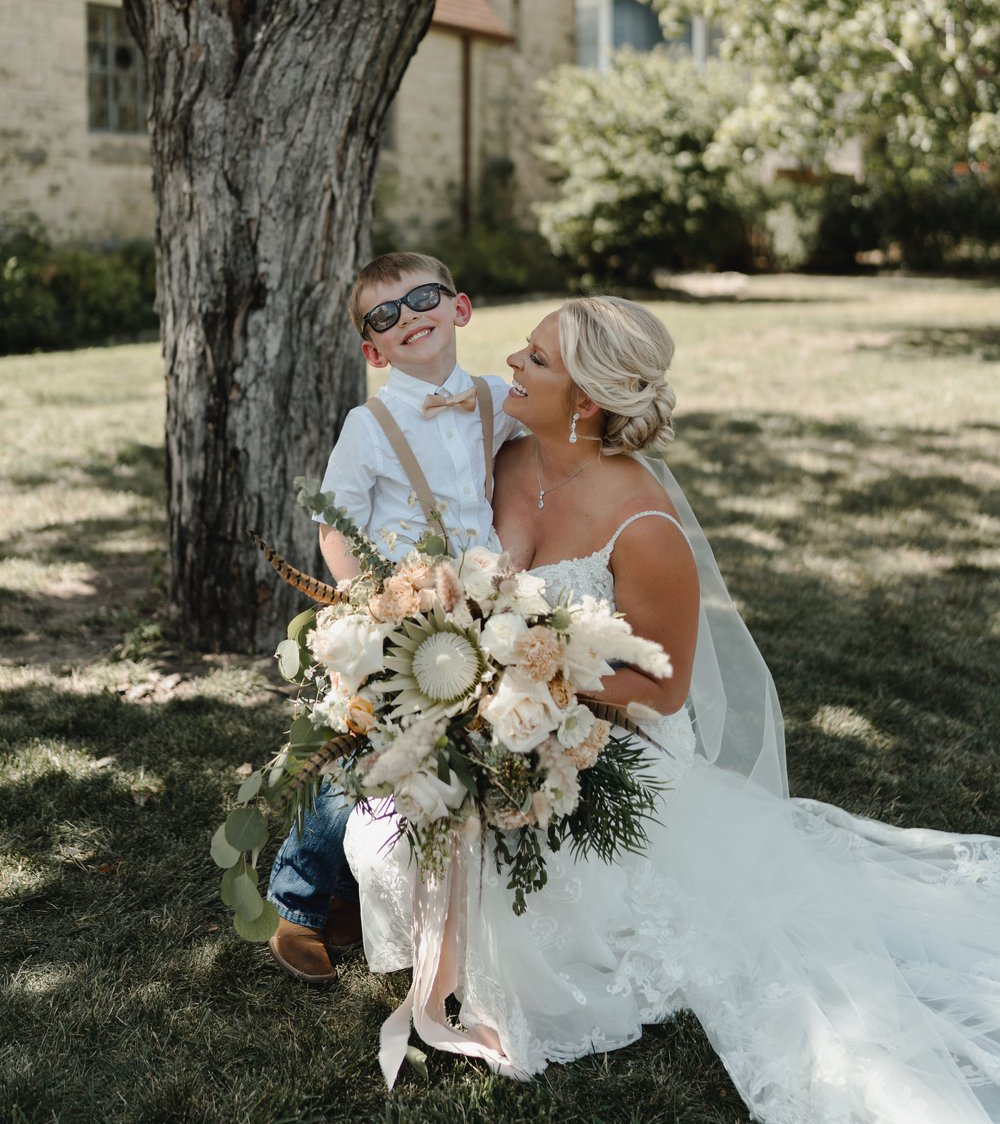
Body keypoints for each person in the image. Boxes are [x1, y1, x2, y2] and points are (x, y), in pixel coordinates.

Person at [345, 295, 1000, 1121]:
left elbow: (664, 689)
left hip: (612, 739)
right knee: (387, 822)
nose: (511, 361)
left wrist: (524, 685)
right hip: (502, 714)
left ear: (585, 400)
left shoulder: (643, 525)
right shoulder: (507, 456)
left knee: (536, 892)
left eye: (536, 357)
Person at [267, 251, 521, 982]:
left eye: (423, 299)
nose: (409, 317)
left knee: (440, 761)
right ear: (373, 350)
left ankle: (373, 892)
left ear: (460, 309)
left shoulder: (499, 398)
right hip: (398, 611)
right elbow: (333, 523)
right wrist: (366, 605)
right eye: (386, 316)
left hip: (481, 608)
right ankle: (301, 904)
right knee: (361, 751)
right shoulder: (369, 422)